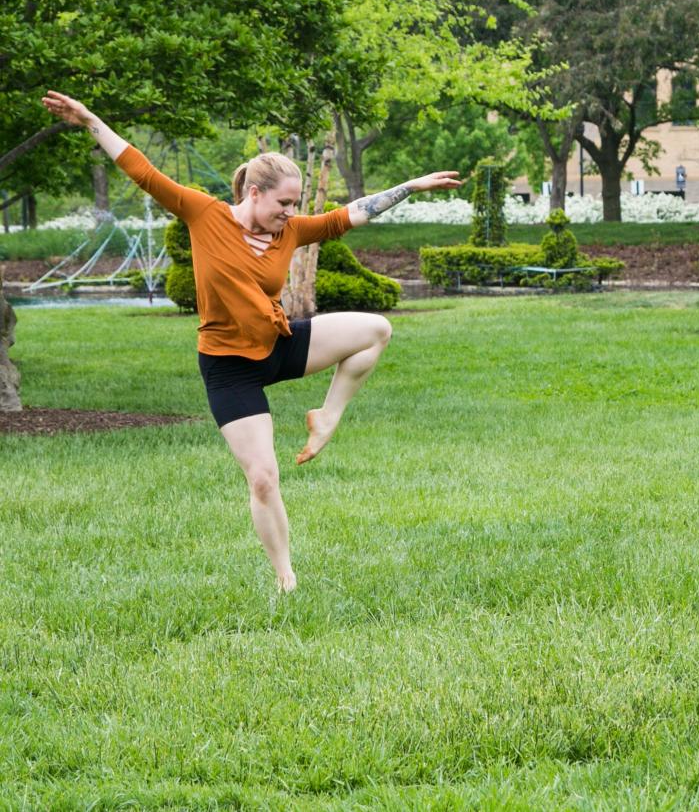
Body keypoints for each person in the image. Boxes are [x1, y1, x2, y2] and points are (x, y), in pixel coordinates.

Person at [41, 90, 461, 592]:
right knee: (263, 477)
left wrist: (409, 186)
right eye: (283, 203)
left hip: (279, 344)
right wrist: (90, 119)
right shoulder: (204, 215)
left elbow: (348, 216)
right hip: (229, 368)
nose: (289, 213)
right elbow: (142, 170)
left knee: (377, 330)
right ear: (254, 194)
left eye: (294, 205)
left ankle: (327, 415)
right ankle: (286, 579)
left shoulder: (290, 232)